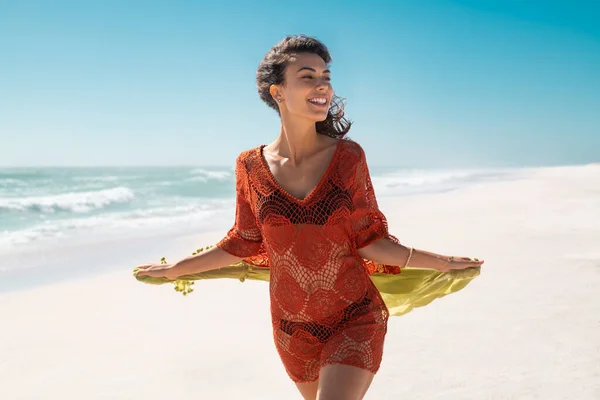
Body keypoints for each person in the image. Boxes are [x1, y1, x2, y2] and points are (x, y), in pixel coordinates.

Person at [136, 35, 484, 400]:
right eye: (307, 76)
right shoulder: (249, 166)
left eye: (326, 76)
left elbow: (370, 242)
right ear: (278, 92)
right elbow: (243, 241)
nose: (322, 85)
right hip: (291, 327)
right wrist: (176, 269)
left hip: (354, 314)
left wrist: (443, 262)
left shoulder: (348, 157)